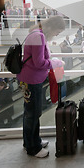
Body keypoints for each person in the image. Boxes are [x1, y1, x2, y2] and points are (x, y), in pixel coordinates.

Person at [17, 16, 65, 158]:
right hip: (32, 80)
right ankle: (33, 148)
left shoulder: (36, 33)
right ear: (52, 27)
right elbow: (39, 63)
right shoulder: (39, 37)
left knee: (30, 112)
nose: (57, 34)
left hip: (28, 79)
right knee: (33, 113)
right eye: (58, 31)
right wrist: (56, 63)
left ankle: (31, 142)